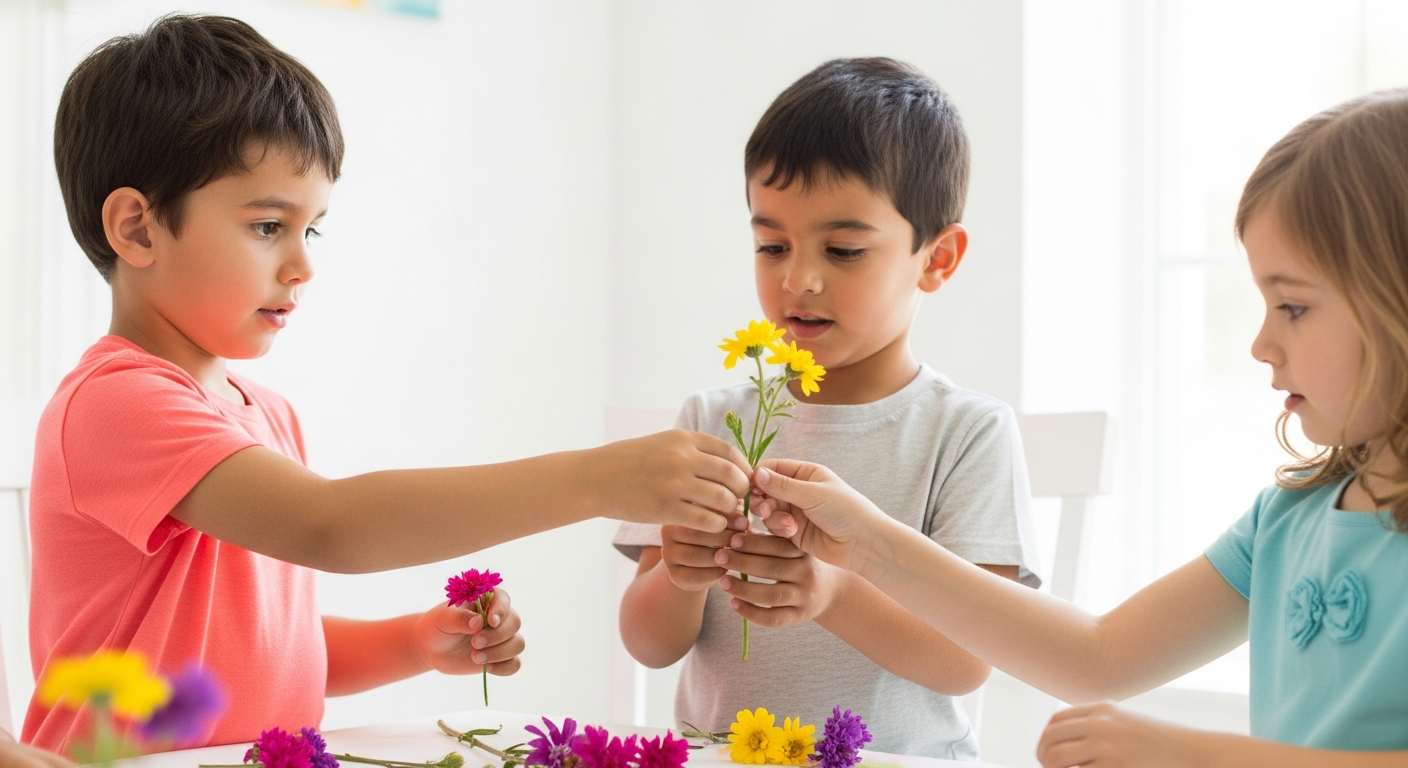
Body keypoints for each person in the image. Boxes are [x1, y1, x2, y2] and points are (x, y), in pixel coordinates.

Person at [25, 14, 750, 754]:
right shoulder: (115, 402)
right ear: (138, 229)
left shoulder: (263, 414)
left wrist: (415, 642)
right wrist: (600, 481)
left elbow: (266, 650)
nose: (303, 265)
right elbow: (332, 526)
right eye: (269, 226)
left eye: (313, 230)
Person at [749, 89, 1408, 767]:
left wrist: (1190, 755)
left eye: (1293, 306)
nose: (1261, 342)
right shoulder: (1286, 522)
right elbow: (1099, 656)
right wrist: (865, 543)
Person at [614, 58, 1041, 760]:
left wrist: (834, 595)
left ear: (937, 259)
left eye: (843, 249)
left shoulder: (965, 432)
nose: (797, 279)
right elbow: (648, 644)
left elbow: (970, 657)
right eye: (771, 245)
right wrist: (678, 576)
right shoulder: (710, 419)